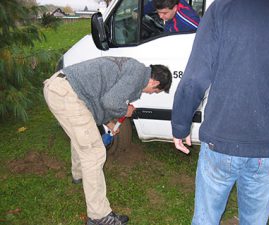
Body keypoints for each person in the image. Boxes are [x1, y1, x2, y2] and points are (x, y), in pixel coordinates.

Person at [171, 0, 269, 224]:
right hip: (266, 149)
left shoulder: (222, 8)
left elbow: (194, 78)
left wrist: (181, 124)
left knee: (205, 219)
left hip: (219, 144)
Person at [43, 57, 172, 225]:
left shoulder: (135, 71)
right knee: (94, 152)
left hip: (62, 89)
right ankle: (98, 216)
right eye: (155, 91)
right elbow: (110, 102)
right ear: (154, 83)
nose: (150, 93)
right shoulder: (137, 75)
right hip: (66, 94)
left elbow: (99, 99)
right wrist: (126, 110)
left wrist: (110, 123)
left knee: (83, 137)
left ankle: (79, 175)